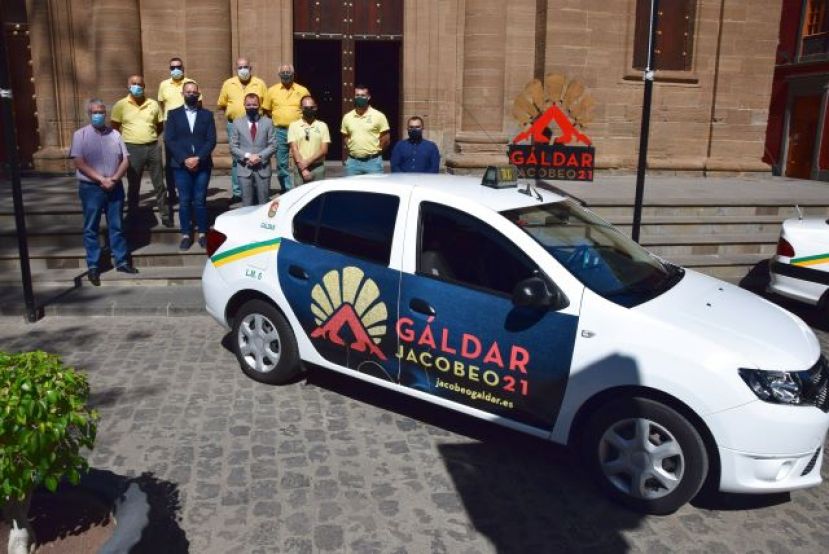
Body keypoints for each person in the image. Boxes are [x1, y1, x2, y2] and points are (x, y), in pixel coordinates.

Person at [69, 98, 138, 286]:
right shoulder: (80, 135)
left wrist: (114, 179)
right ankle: (93, 265)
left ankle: (122, 261)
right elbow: (79, 162)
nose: (98, 115)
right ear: (89, 114)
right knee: (91, 227)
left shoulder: (115, 134)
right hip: (91, 188)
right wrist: (101, 179)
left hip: (114, 186)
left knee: (116, 225)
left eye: (101, 112)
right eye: (94, 112)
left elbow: (125, 159)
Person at [111, 75, 170, 228]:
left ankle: (165, 214)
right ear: (128, 86)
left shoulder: (153, 104)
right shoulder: (120, 105)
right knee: (134, 184)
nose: (137, 86)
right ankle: (133, 215)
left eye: (140, 84)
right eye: (134, 84)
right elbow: (115, 128)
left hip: (152, 147)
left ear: (144, 87)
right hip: (132, 149)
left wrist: (149, 136)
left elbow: (160, 125)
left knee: (159, 184)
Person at [165, 82, 217, 250]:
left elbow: (211, 140)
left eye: (194, 92)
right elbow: (170, 139)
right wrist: (185, 159)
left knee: (200, 200)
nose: (191, 95)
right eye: (188, 92)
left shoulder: (207, 115)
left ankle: (202, 233)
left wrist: (198, 158)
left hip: (202, 165)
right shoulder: (173, 114)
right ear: (182, 94)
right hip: (180, 166)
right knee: (185, 200)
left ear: (199, 94)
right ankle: (186, 234)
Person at [217, 57, 267, 204]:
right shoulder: (228, 83)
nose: (243, 70)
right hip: (235, 125)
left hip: (256, 124)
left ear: (250, 68)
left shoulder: (260, 83)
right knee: (237, 159)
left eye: (245, 67)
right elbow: (222, 104)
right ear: (236, 69)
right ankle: (238, 191)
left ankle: (257, 188)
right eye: (240, 67)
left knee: (258, 156)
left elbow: (265, 105)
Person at [157, 57, 201, 209]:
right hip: (171, 125)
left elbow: (198, 103)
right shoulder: (163, 85)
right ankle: (172, 192)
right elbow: (161, 104)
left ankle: (190, 191)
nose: (175, 70)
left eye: (178, 67)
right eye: (172, 67)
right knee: (171, 161)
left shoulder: (191, 83)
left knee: (190, 156)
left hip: (189, 123)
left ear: (183, 68)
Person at [263, 64, 310, 191]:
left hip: (298, 130)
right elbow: (267, 110)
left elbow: (308, 108)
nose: (285, 74)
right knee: (281, 162)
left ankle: (300, 187)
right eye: (283, 72)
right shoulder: (271, 91)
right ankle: (287, 189)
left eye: (288, 72)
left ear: (293, 73)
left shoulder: (303, 90)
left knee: (300, 158)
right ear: (279, 74)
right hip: (279, 131)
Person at [230, 93, 276, 206]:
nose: (251, 107)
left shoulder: (268, 122)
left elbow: (273, 145)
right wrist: (248, 156)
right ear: (244, 105)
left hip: (263, 168)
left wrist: (259, 157)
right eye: (249, 105)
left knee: (264, 203)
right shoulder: (237, 123)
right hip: (244, 167)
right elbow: (233, 147)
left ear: (259, 105)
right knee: (246, 204)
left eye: (254, 105)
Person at [340, 85, 390, 176]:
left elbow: (386, 139)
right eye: (357, 95)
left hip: (373, 162)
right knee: (351, 189)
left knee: (374, 189)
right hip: (353, 163)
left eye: (363, 95)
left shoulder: (379, 116)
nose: (360, 97)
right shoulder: (347, 117)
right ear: (354, 97)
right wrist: (354, 148)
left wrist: (375, 152)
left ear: (368, 97)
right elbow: (345, 136)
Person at [288, 95, 330, 185]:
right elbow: (294, 149)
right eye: (306, 108)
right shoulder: (293, 126)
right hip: (300, 168)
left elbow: (324, 150)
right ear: (301, 108)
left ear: (316, 108)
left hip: (318, 167)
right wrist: (303, 169)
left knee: (319, 197)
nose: (309, 110)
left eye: (311, 107)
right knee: (300, 196)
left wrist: (307, 162)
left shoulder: (322, 125)